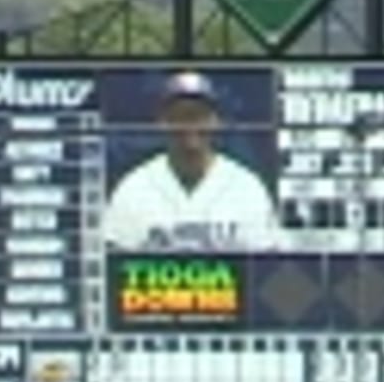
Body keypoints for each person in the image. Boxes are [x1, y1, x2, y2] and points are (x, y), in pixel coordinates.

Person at [102, 69, 281, 252]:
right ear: (162, 122)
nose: (190, 125)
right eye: (180, 116)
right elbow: (113, 264)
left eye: (198, 116)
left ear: (215, 121)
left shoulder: (246, 189)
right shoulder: (134, 189)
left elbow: (266, 264)